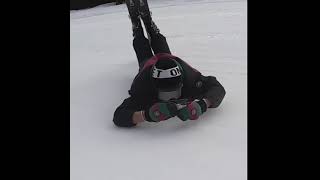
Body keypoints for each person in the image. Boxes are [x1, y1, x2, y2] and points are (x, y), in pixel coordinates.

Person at [113, 0, 226, 127]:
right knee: (142, 49)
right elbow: (118, 116)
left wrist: (203, 104)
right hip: (148, 65)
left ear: (182, 84)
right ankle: (138, 28)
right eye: (165, 94)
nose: (172, 99)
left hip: (170, 58)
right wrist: (146, 115)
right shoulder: (143, 86)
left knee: (158, 44)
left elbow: (218, 89)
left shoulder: (191, 79)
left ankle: (148, 25)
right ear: (154, 87)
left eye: (174, 92)